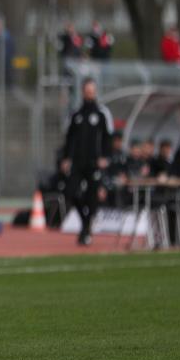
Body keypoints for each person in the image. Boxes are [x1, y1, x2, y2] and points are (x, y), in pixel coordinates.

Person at [60, 78, 113, 245]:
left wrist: (105, 157)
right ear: (82, 91)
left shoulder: (102, 113)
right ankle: (85, 223)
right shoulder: (76, 114)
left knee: (93, 197)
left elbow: (107, 138)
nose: (90, 93)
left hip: (95, 163)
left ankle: (85, 230)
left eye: (92, 90)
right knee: (70, 192)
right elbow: (69, 139)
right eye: (87, 90)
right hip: (78, 162)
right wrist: (67, 158)